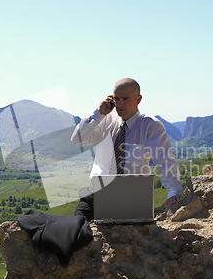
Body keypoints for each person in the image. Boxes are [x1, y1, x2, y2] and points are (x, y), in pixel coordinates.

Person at [70, 78, 182, 221]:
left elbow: (164, 161)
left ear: (138, 99)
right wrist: (98, 114)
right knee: (76, 228)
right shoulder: (105, 120)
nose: (120, 103)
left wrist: (173, 192)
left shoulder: (150, 125)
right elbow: (77, 140)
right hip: (96, 193)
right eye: (116, 98)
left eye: (125, 98)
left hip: (130, 196)